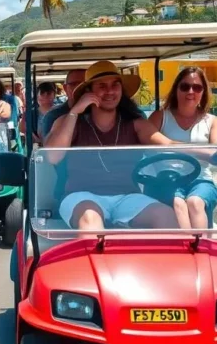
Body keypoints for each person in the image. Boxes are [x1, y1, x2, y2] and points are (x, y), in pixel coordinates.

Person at [45, 61, 177, 231]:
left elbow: (168, 144)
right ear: (88, 91)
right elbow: (53, 156)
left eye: (115, 85)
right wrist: (74, 112)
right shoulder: (67, 121)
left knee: (166, 216)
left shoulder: (136, 124)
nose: (110, 91)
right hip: (81, 196)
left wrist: (214, 151)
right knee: (90, 219)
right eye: (102, 86)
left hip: (127, 197)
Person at [148, 67, 217, 229]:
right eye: (185, 86)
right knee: (178, 203)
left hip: (200, 180)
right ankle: (188, 246)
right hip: (167, 180)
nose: (191, 91)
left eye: (197, 87)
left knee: (195, 202)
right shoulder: (160, 117)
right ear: (176, 90)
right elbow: (147, 142)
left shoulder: (212, 121)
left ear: (203, 92)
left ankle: (200, 246)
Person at [38, 69, 86, 142]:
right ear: (65, 88)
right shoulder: (53, 116)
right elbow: (49, 151)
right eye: (74, 84)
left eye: (84, 84)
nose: (79, 88)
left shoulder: (99, 112)